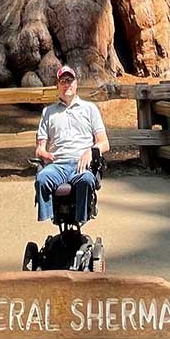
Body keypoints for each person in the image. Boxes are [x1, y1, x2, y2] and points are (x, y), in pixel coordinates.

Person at [34, 65, 110, 225]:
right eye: (63, 81)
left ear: (76, 84)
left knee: (86, 180)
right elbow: (40, 148)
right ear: (57, 86)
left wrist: (91, 151)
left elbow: (104, 143)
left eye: (70, 80)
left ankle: (80, 218)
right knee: (42, 179)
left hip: (80, 165)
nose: (67, 84)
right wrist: (43, 153)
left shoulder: (90, 109)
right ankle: (52, 216)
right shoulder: (48, 112)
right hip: (57, 165)